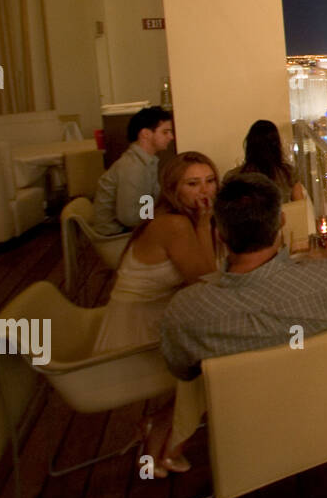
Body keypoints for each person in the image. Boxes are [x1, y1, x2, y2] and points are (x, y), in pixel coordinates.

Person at [149, 174, 327, 470]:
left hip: (246, 448)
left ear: (219, 234)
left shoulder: (185, 313)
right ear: (281, 222)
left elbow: (182, 368)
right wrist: (320, 267)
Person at [92, 151, 220, 354]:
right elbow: (205, 283)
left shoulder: (183, 216)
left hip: (159, 315)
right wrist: (204, 226)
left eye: (210, 181)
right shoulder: (174, 224)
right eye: (193, 184)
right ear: (173, 189)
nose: (205, 191)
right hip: (137, 335)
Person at [92, 106, 174, 235]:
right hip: (117, 235)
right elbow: (128, 218)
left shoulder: (147, 161)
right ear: (145, 134)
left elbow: (150, 198)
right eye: (165, 132)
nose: (171, 137)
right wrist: (159, 215)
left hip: (129, 228)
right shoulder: (132, 167)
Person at [223, 119, 304, 203]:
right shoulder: (289, 173)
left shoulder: (233, 177)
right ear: (276, 145)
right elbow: (299, 206)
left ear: (249, 145)